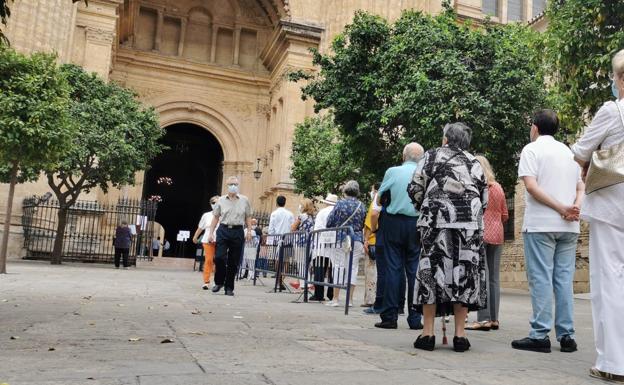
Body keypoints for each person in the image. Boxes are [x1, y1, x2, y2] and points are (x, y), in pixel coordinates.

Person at [407, 122, 488, 352]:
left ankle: (428, 333)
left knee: (431, 273)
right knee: (463, 274)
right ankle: (460, 336)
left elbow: (415, 187)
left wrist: (424, 206)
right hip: (468, 227)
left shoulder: (431, 156)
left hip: (435, 222)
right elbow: (484, 199)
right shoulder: (474, 163)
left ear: (446, 139)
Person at [511, 110, 584, 354]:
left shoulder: (531, 150)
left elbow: (531, 186)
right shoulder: (569, 152)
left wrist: (560, 208)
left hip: (541, 224)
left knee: (541, 278)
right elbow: (580, 187)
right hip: (569, 226)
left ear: (534, 128)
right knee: (564, 280)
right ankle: (566, 336)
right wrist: (574, 208)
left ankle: (540, 334)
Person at [571, 49, 624, 383]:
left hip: (613, 207)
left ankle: (614, 362)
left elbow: (580, 151)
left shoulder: (613, 110)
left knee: (609, 282)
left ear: (621, 78)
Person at [374, 143, 425, 330]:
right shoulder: (425, 172)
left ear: (404, 156)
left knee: (393, 269)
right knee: (414, 271)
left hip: (393, 223)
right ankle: (415, 318)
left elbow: (379, 199)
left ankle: (390, 316)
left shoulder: (392, 171)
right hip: (417, 224)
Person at [466, 156, 509, 331]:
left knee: (481, 276)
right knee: (494, 278)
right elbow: (505, 214)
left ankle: (483, 319)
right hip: (498, 236)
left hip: (480, 234)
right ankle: (494, 318)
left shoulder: (476, 187)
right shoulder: (498, 187)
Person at [207, 176, 253, 296]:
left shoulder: (244, 200)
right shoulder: (221, 200)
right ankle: (219, 282)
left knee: (233, 261)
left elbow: (248, 216)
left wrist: (249, 231)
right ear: (227, 186)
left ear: (238, 186)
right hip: (223, 229)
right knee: (219, 257)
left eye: (235, 184)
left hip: (238, 230)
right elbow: (216, 217)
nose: (233, 186)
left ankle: (229, 287)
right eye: (231, 184)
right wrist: (211, 233)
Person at [325, 180, 366, 307]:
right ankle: (350, 299)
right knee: (352, 268)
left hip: (341, 237)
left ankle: (336, 298)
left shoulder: (340, 204)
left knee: (338, 266)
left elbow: (330, 221)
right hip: (357, 238)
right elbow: (363, 222)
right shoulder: (361, 206)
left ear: (345, 190)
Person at [309, 193, 338, 302]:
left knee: (320, 269)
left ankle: (318, 294)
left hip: (321, 244)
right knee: (333, 270)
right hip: (334, 245)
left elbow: (317, 228)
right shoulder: (338, 212)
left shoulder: (322, 212)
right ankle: (331, 294)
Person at [192, 195, 220, 290]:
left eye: (217, 202)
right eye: (213, 202)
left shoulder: (224, 214)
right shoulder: (206, 215)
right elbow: (201, 227)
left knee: (220, 260)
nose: (215, 204)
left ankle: (218, 281)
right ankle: (206, 281)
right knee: (208, 260)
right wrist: (195, 236)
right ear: (210, 204)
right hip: (208, 240)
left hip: (221, 240)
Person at [362, 183, 380, 308]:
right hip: (382, 240)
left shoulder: (375, 202)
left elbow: (369, 224)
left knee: (371, 272)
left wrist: (366, 240)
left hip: (373, 241)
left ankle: (370, 299)